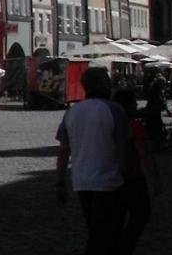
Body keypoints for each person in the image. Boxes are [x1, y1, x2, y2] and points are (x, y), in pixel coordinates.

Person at [56, 66, 129, 255]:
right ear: (104, 84)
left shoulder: (72, 112)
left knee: (95, 229)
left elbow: (63, 151)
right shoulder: (114, 110)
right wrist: (126, 175)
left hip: (82, 182)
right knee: (107, 234)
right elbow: (123, 147)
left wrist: (60, 182)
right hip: (110, 182)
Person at [113, 88, 160, 253]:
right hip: (133, 177)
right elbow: (143, 153)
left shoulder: (110, 124)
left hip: (112, 177)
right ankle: (124, 247)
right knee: (141, 215)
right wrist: (155, 178)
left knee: (117, 218)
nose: (136, 105)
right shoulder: (134, 125)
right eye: (133, 102)